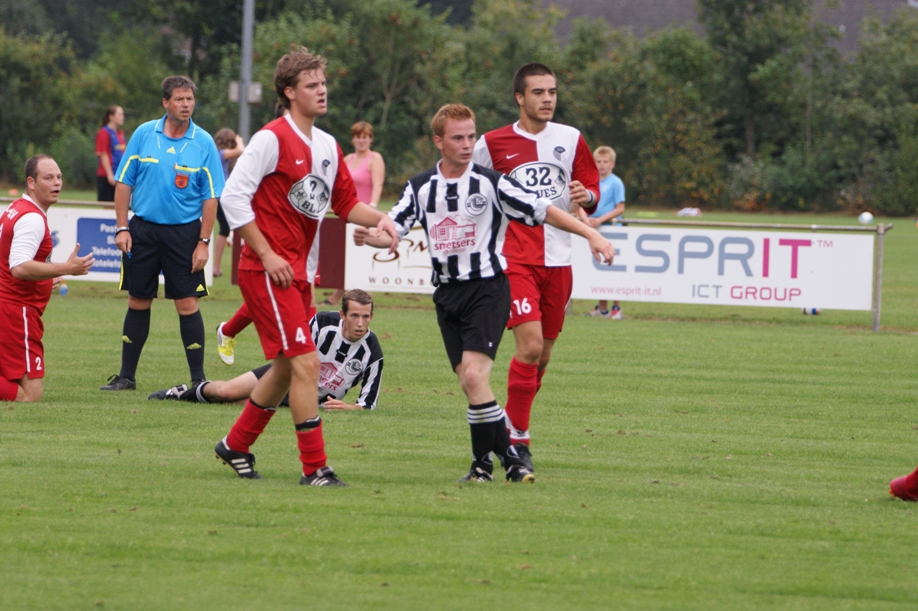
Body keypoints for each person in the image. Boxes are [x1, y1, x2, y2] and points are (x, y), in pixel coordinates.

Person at [355, 104, 614, 483]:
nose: (466, 144)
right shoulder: (421, 187)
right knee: (469, 381)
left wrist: (590, 233)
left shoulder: (492, 183)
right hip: (447, 297)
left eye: (471, 136)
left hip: (488, 290)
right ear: (438, 141)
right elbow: (392, 228)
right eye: (457, 137)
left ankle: (484, 466)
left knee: (475, 377)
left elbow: (544, 210)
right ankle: (508, 456)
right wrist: (372, 237)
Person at [213, 46, 399, 486]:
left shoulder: (329, 146)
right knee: (307, 364)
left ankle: (236, 444)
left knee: (284, 368)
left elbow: (347, 205)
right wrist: (266, 253)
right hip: (266, 272)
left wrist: (384, 219)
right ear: (288, 92)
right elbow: (232, 198)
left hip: (298, 274)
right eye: (312, 84)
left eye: (323, 83)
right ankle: (315, 467)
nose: (322, 90)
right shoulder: (270, 139)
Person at [471, 63, 602, 473]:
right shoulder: (492, 143)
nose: (547, 99)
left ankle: (510, 427)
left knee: (541, 357)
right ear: (519, 97)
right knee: (528, 348)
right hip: (514, 259)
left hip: (559, 261)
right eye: (539, 92)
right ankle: (519, 443)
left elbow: (591, 188)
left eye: (552, 92)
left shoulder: (571, 138)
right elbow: (471, 189)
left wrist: (587, 196)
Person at [100, 76, 225, 391]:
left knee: (187, 303)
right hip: (142, 230)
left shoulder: (203, 142)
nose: (186, 104)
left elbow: (211, 197)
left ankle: (198, 380)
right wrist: (122, 227)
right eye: (179, 99)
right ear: (165, 102)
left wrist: (203, 242)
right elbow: (124, 183)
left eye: (190, 99)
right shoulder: (144, 134)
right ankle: (126, 377)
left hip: (184, 234)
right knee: (138, 299)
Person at [150, 290, 383, 410]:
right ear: (342, 315)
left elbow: (367, 403)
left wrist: (349, 408)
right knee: (226, 393)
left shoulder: (372, 352)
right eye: (354, 316)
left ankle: (191, 397)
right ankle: (182, 393)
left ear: (371, 316)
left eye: (365, 317)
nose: (360, 323)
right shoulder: (323, 323)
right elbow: (293, 350)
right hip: (285, 375)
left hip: (305, 401)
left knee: (236, 405)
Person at [0, 155, 95, 402]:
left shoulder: (16, 208)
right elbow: (19, 267)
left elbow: (8, 260)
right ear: (31, 183)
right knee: (30, 395)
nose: (57, 183)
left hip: (10, 308)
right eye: (48, 178)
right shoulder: (32, 218)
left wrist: (43, 279)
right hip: (15, 312)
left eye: (59, 177)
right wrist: (67, 268)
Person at [320, 121, 387, 307]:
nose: (361, 140)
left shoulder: (375, 158)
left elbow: (378, 184)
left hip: (364, 215)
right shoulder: (348, 159)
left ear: (371, 139)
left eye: (365, 137)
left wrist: (372, 209)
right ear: (353, 139)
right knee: (343, 258)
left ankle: (354, 297)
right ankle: (342, 294)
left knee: (358, 258)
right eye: (358, 137)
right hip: (346, 214)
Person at [576, 145, 625, 319]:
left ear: (612, 164)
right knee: (599, 269)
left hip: (611, 229)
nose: (602, 165)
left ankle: (616, 308)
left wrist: (600, 220)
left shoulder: (616, 182)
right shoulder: (591, 181)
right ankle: (602, 308)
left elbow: (620, 208)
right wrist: (585, 219)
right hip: (593, 229)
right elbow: (579, 205)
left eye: (605, 161)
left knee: (614, 270)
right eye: (598, 161)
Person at [212, 128, 246, 277]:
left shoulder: (218, 154)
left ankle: (216, 267)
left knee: (225, 229)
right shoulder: (221, 154)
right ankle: (215, 267)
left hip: (221, 195)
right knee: (227, 228)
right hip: (221, 196)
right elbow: (241, 150)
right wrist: (239, 141)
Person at [94, 105, 126, 202]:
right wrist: (110, 175)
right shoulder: (104, 132)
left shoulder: (120, 133)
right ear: (111, 117)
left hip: (120, 175)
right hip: (107, 175)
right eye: (119, 114)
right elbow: (103, 154)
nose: (122, 117)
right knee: (108, 205)